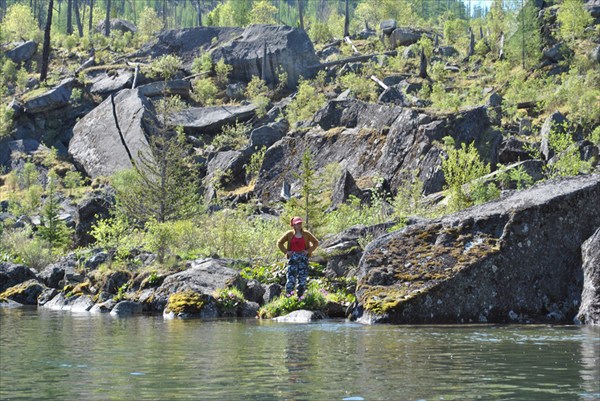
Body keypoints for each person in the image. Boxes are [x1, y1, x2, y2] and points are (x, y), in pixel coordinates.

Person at [277, 216, 319, 297]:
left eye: (300, 223)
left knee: (302, 279)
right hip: (293, 258)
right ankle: (289, 297)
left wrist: (308, 251)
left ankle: (300, 297)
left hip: (303, 258)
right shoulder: (289, 234)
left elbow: (316, 242)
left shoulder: (306, 234)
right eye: (297, 224)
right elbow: (279, 242)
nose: (299, 225)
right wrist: (287, 252)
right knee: (291, 279)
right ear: (293, 225)